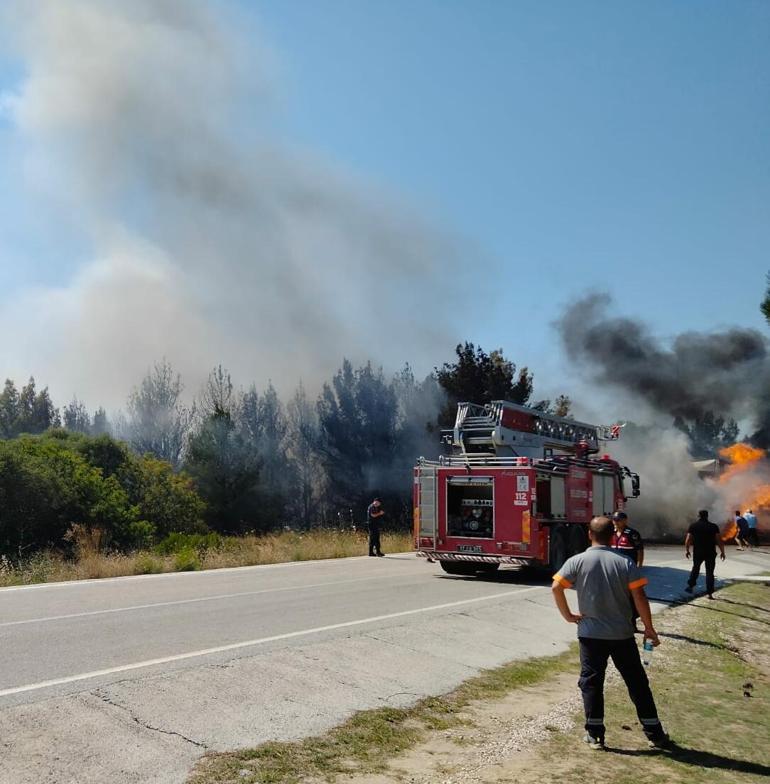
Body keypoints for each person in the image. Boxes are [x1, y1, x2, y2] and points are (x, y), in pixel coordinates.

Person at [551, 516, 669, 751]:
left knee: (592, 682)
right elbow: (640, 598)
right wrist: (649, 628)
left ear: (589, 534)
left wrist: (568, 616)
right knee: (636, 682)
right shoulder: (625, 563)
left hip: (590, 634)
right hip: (621, 634)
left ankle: (595, 734)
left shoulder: (576, 561)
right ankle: (654, 732)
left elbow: (556, 587)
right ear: (613, 536)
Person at [684, 510, 725, 599]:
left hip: (698, 552)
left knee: (695, 568)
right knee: (710, 572)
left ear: (698, 516)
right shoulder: (713, 526)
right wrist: (722, 552)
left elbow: (688, 540)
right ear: (707, 516)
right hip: (710, 552)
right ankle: (709, 593)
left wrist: (687, 550)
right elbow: (719, 541)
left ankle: (690, 586)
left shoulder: (693, 526)